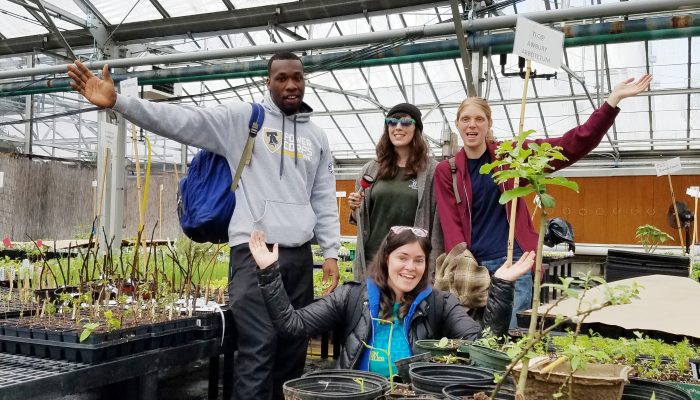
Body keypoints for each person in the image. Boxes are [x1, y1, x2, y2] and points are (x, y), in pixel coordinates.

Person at [67, 53, 341, 400]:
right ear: (267, 82)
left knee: (293, 350)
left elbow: (323, 196)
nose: (291, 85)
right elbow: (182, 119)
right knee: (258, 349)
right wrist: (120, 102)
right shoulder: (245, 120)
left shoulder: (317, 136)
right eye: (281, 78)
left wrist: (330, 251)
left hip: (297, 257)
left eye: (297, 78)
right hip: (253, 256)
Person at [434, 74, 653, 329]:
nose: (472, 125)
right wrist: (464, 267)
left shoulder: (511, 157)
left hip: (514, 261)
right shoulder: (446, 171)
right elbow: (451, 227)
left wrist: (611, 102)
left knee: (511, 338)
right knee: (474, 339)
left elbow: (569, 146)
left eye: (479, 119)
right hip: (474, 269)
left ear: (489, 124)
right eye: (466, 119)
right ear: (458, 125)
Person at [250, 226, 535, 378]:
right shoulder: (352, 296)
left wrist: (502, 287)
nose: (410, 268)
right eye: (402, 257)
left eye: (419, 260)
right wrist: (268, 274)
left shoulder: (440, 304)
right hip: (356, 392)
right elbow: (292, 324)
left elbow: (483, 348)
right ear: (387, 259)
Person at [348, 103, 442, 281]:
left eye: (405, 122)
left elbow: (437, 223)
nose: (398, 127)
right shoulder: (371, 169)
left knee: (407, 309)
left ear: (417, 129)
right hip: (373, 261)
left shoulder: (431, 171)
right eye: (392, 122)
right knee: (371, 308)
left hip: (409, 266)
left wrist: (433, 267)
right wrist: (355, 207)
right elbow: (362, 218)